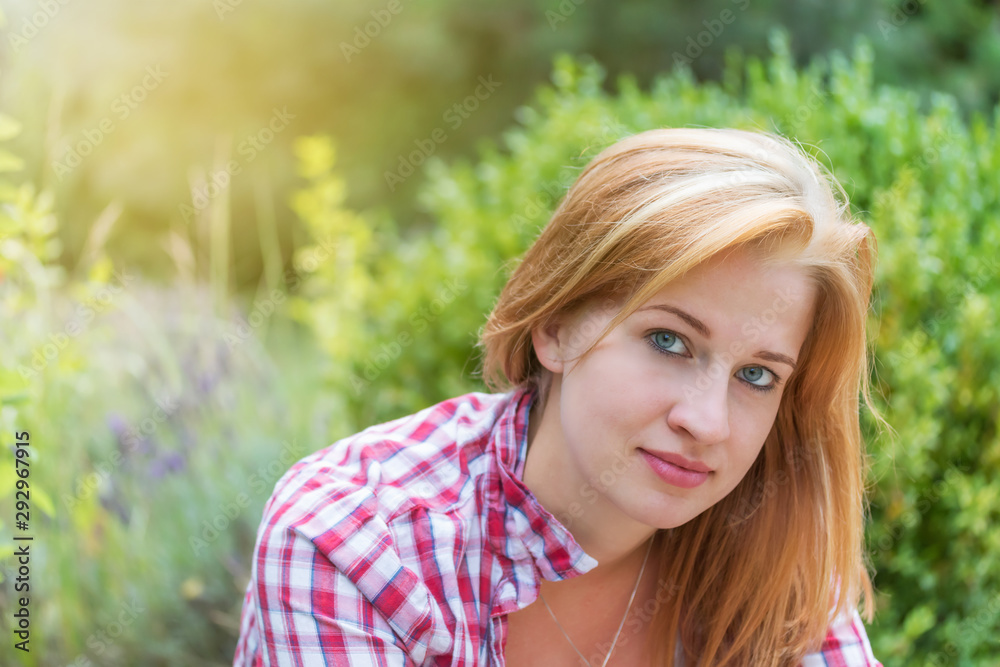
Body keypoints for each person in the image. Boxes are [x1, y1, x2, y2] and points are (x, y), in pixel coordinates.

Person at [233, 128, 884, 666]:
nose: (706, 421)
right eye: (669, 340)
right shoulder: (355, 544)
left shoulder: (774, 553)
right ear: (556, 326)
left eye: (757, 375)